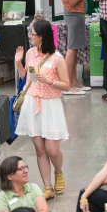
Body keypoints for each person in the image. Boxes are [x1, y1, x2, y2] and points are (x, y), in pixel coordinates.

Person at [15, 20, 71, 200]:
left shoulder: (57, 58)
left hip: (50, 105)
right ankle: (48, 187)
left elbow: (67, 86)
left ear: (42, 36)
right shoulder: (30, 53)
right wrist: (18, 63)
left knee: (52, 149)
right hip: (32, 102)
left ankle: (59, 172)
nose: (30, 36)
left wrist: (49, 81)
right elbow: (28, 78)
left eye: (32, 34)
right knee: (40, 149)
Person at [56, 0, 92, 95]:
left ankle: (75, 81)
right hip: (73, 14)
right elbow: (72, 0)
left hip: (78, 14)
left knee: (75, 48)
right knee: (71, 49)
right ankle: (68, 86)